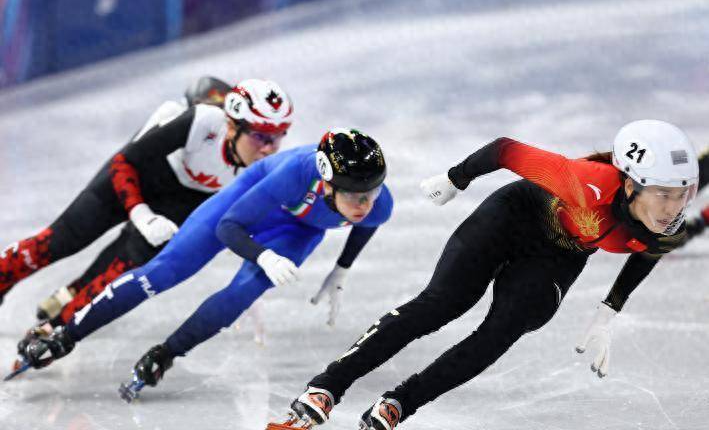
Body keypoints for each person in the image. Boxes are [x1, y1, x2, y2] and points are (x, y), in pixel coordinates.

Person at [267, 120, 698, 430]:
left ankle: (399, 403)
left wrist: (608, 312)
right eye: (663, 194)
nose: (673, 209)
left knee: (503, 331)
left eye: (682, 195)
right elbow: (505, 149)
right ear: (629, 185)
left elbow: (647, 253)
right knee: (442, 304)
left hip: (556, 257)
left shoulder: (665, 226)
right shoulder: (584, 181)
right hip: (513, 217)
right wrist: (455, 178)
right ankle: (327, 386)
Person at [21, 129, 394, 403]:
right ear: (326, 184)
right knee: (164, 271)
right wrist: (263, 255)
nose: (364, 205)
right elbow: (228, 227)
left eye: (372, 192)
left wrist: (342, 269)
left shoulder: (377, 204)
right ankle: (66, 336)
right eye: (354, 195)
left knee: (241, 295)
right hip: (244, 208)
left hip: (298, 230)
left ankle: (166, 354)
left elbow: (367, 224)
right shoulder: (295, 172)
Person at [2, 77, 290, 331]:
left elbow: (250, 227)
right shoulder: (198, 120)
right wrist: (141, 216)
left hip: (182, 201)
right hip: (139, 175)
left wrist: (247, 292)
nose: (268, 149)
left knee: (119, 270)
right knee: (59, 242)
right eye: (259, 136)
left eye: (277, 137)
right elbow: (124, 162)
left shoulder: (263, 168)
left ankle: (56, 324)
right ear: (231, 126)